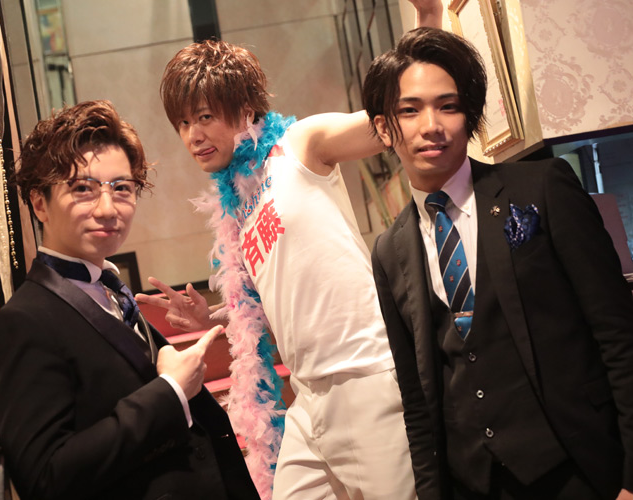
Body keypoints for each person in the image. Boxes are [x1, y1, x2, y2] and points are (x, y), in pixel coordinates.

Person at [138, 3, 443, 498]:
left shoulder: (300, 146)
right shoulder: (236, 208)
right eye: (183, 122)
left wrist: (428, 20)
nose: (193, 135)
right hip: (307, 397)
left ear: (245, 108)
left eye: (206, 117)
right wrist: (210, 318)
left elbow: (392, 121)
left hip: (366, 377)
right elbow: (275, 301)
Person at [364, 27, 633, 500]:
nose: (432, 125)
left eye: (448, 106)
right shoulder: (390, 251)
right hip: (474, 483)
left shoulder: (542, 187)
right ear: (385, 128)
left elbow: (619, 336)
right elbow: (418, 399)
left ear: (469, 116)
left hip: (579, 469)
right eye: (410, 110)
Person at [0, 100, 260, 500]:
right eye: (83, 189)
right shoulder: (21, 322)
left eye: (122, 189)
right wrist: (170, 393)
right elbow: (44, 479)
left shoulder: (110, 286)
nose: (108, 208)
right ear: (40, 203)